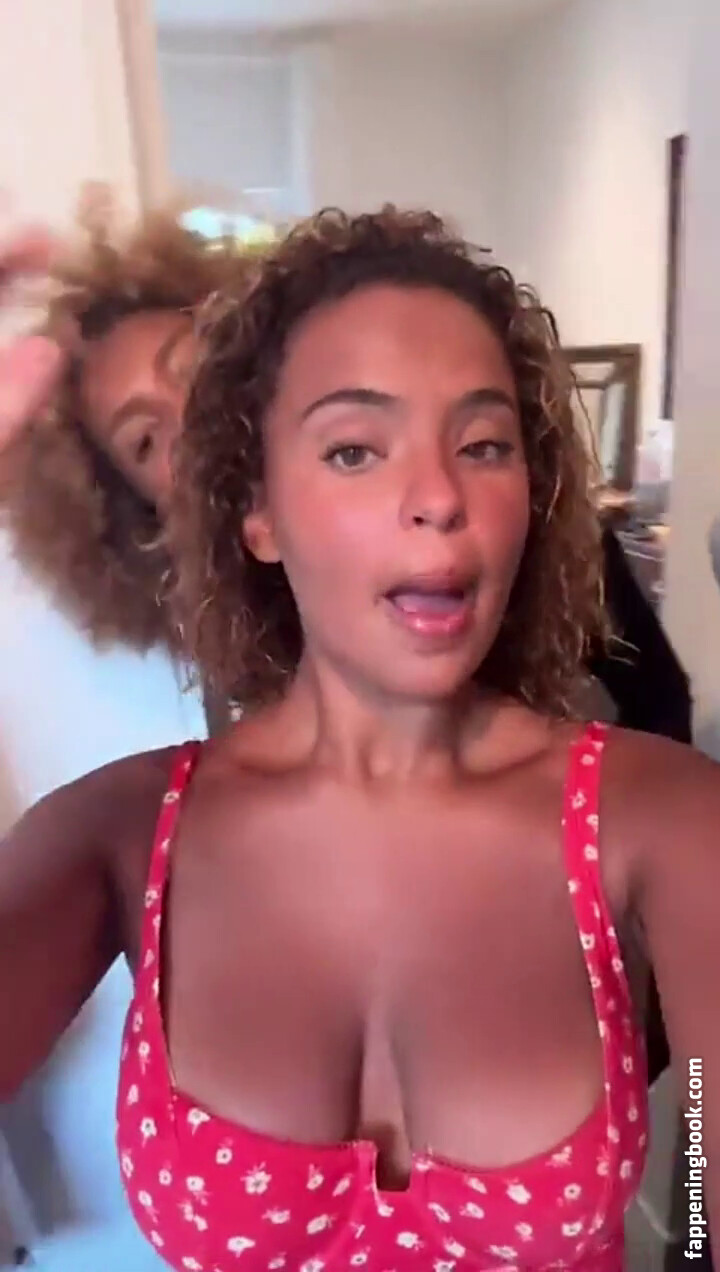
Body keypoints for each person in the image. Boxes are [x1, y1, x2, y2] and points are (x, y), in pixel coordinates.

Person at [1, 206, 717, 1272]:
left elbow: (705, 1198)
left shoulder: (664, 815)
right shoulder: (119, 833)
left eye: (483, 446)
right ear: (258, 514)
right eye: (353, 450)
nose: (438, 498)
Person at [0, 203, 262, 731]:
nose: (191, 422)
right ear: (145, 514)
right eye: (144, 440)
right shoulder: (242, 687)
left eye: (192, 370)